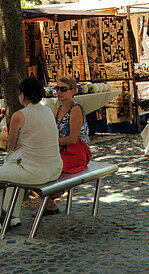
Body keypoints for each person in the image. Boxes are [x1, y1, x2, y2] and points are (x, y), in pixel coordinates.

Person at [0, 77, 63, 237]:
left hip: (37, 173)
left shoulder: (19, 115)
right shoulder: (47, 110)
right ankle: (13, 216)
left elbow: (10, 146)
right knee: (10, 169)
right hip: (55, 168)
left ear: (23, 95)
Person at [43, 75, 93, 214]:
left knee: (48, 167)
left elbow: (72, 139)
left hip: (78, 152)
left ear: (73, 91)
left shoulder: (75, 109)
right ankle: (49, 203)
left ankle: (51, 197)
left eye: (63, 89)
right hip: (62, 149)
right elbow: (49, 130)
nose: (59, 92)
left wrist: (50, 142)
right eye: (57, 88)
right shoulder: (58, 109)